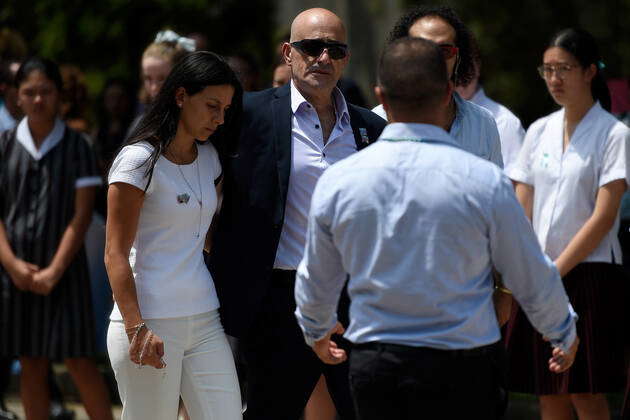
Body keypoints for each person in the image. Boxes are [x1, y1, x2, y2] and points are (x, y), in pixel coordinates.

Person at [294, 36, 579, 420]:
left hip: (379, 363)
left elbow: (316, 275)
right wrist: (562, 329)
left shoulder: (341, 181)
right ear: (448, 93)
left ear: (382, 96)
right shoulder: (483, 180)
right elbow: (528, 269)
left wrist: (317, 329)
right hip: (465, 362)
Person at [208, 8, 386, 419]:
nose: (323, 57)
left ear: (346, 58)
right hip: (275, 300)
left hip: (351, 299)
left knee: (364, 409)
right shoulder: (246, 114)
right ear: (288, 53)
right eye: (311, 47)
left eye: (335, 49)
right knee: (271, 410)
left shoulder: (370, 130)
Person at [105, 51, 243, 420]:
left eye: (226, 108)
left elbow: (204, 236)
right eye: (212, 105)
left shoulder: (211, 157)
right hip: (147, 322)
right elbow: (114, 254)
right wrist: (137, 328)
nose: (220, 118)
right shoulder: (137, 160)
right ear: (180, 96)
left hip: (205, 317)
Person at [504, 28, 629, 420]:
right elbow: (522, 202)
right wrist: (529, 270)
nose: (554, 78)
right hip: (540, 273)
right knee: (549, 392)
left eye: (564, 69)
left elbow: (604, 215)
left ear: (590, 71)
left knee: (584, 391)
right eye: (548, 70)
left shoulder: (615, 133)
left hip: (588, 275)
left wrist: (553, 272)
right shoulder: (539, 129)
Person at [0, 57, 112, 420]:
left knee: (78, 359)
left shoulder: (77, 145)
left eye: (45, 92)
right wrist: (13, 266)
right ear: (16, 96)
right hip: (16, 269)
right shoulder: (4, 144)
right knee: (30, 359)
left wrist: (53, 271)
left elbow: (81, 217)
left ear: (58, 96)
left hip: (65, 268)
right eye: (28, 92)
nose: (37, 100)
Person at [373, 5, 503, 167]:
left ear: (458, 57)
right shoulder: (376, 121)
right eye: (420, 47)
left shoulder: (483, 123)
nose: (431, 59)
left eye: (444, 50)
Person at [456, 45, 525, 172]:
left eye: (466, 66)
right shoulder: (429, 117)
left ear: (477, 68)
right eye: (456, 67)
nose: (461, 76)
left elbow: (514, 187)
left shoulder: (504, 122)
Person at [129, 30, 196, 134]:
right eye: (148, 78)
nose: (154, 87)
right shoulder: (141, 124)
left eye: (162, 79)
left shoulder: (199, 122)